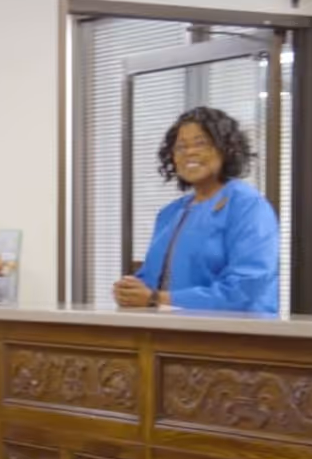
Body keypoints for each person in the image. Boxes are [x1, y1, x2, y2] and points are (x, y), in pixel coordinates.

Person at [113, 106, 279, 315]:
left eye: (201, 143)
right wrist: (129, 290)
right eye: (180, 147)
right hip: (166, 335)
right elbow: (150, 279)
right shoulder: (170, 213)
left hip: (235, 339)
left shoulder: (247, 206)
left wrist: (156, 298)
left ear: (225, 149)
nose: (190, 152)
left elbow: (246, 289)